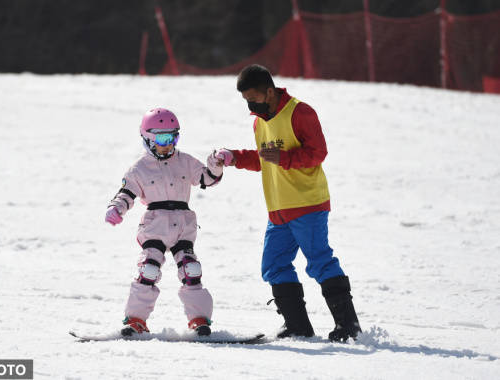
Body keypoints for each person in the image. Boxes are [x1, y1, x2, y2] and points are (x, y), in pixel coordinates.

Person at [215, 64, 361, 342]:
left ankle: (349, 327)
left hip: (307, 204)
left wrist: (284, 159)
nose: (250, 104)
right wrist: (234, 158)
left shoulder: (300, 111)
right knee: (273, 266)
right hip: (278, 211)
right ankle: (298, 327)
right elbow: (264, 159)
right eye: (245, 100)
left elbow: (318, 152)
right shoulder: (259, 122)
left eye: (253, 98)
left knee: (320, 262)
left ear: (269, 91)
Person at [106, 108, 223, 337]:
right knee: (148, 269)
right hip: (155, 225)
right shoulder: (139, 169)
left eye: (173, 137)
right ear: (148, 139)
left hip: (183, 225)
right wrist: (116, 208)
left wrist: (215, 167)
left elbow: (206, 179)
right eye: (162, 138)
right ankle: (136, 320)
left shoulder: (185, 161)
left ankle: (199, 319)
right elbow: (126, 193)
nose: (168, 144)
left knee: (191, 269)